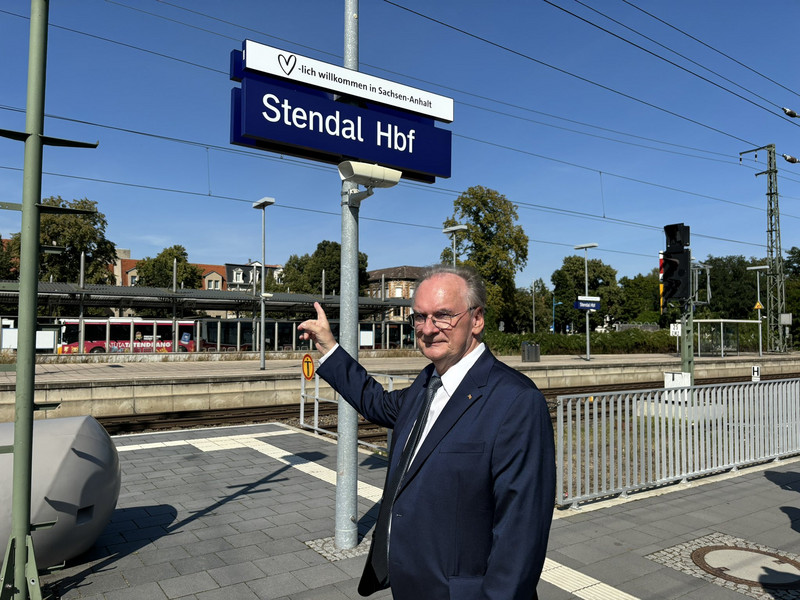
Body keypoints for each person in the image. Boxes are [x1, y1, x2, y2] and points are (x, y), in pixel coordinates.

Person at [298, 264, 555, 600]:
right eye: (419, 317)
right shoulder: (427, 384)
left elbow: (521, 536)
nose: (428, 329)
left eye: (443, 315)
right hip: (411, 586)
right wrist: (330, 347)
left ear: (476, 319)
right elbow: (375, 402)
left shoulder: (516, 401)